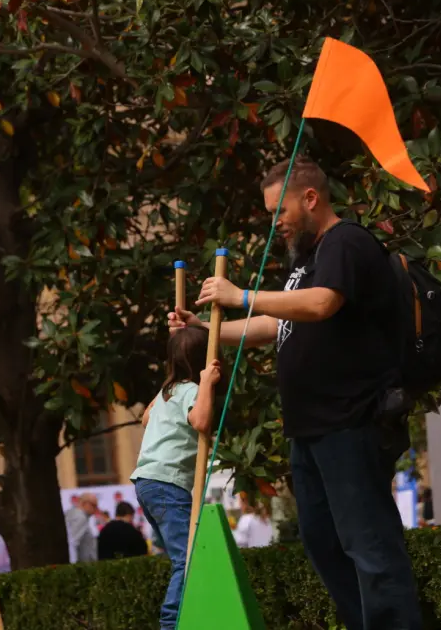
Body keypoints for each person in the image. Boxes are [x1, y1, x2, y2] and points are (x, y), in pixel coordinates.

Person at [170, 156, 422, 630]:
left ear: (311, 198)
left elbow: (323, 302)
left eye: (278, 211)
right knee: (324, 545)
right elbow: (274, 322)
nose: (275, 225)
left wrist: (241, 294)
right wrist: (206, 328)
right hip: (311, 431)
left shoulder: (346, 242)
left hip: (350, 423)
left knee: (369, 547)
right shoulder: (306, 261)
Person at [131, 325, 222, 630]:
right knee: (188, 559)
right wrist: (207, 383)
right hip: (167, 482)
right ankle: (171, 623)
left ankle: (182, 615)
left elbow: (145, 419)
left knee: (181, 556)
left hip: (147, 480)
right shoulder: (192, 390)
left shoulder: (166, 391)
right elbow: (202, 421)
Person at [65, 493, 98, 563]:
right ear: (85, 503)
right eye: (94, 505)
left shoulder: (71, 513)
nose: (96, 509)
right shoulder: (81, 518)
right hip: (82, 566)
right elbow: (73, 543)